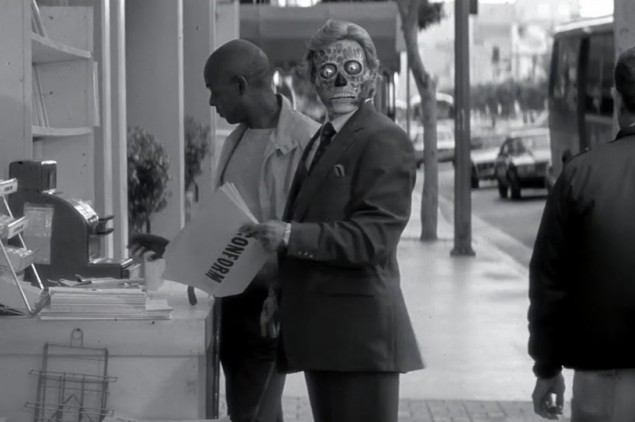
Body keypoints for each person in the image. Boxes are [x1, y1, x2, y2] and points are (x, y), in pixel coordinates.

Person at [240, 20, 423, 422]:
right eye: (327, 69)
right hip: (327, 336)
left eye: (352, 68)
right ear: (312, 76)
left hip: (360, 339)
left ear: (371, 74)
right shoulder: (324, 138)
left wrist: (290, 235)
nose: (340, 79)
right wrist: (281, 293)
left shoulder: (383, 138)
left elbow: (373, 238)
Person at [129, 39, 319, 422]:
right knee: (248, 410)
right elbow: (229, 226)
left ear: (240, 85)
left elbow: (314, 231)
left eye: (214, 91)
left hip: (270, 300)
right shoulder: (236, 139)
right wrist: (177, 248)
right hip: (233, 299)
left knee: (251, 411)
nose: (212, 103)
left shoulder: (307, 141)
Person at [529, 43, 635, 421]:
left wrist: (547, 368)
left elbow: (548, 282)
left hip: (605, 376)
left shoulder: (579, 175)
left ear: (617, 99)